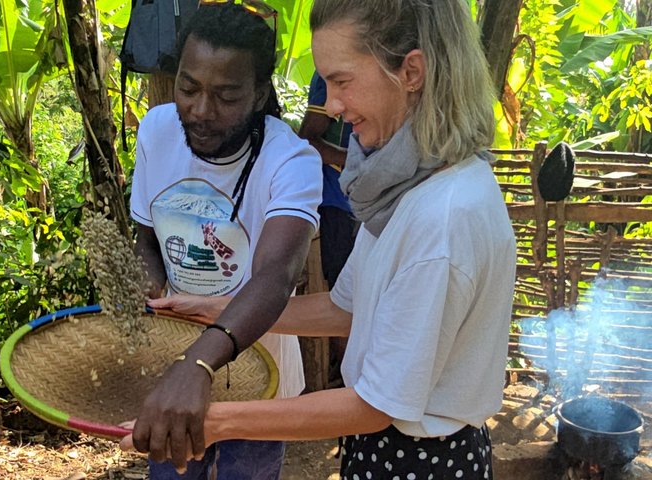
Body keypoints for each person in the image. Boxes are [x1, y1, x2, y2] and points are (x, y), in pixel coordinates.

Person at [124, 0, 517, 479]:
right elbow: (344, 310)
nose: (330, 106)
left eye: (342, 81)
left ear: (411, 72)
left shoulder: (443, 219)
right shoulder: (407, 188)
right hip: (379, 451)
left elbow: (374, 405)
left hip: (420, 461)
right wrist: (213, 309)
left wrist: (213, 419)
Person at [127, 3, 322, 479]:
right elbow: (147, 240)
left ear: (259, 94)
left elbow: (275, 276)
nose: (201, 110)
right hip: (174, 365)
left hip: (259, 379)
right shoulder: (157, 131)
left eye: (226, 95)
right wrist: (145, 292)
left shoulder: (290, 161)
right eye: (188, 88)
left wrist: (198, 363)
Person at [298, 71, 356, 387]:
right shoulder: (329, 75)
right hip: (338, 203)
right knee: (344, 293)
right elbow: (308, 139)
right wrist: (355, 160)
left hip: (367, 202)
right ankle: (348, 380)